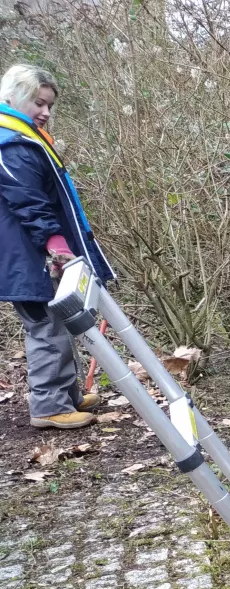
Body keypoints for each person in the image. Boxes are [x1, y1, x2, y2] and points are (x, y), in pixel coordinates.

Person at [0, 63, 115, 430]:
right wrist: (56, 244)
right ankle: (49, 406)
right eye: (38, 103)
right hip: (26, 258)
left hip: (33, 254)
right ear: (13, 98)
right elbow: (29, 202)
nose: (46, 113)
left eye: (49, 105)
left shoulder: (22, 139)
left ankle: (67, 395)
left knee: (60, 322)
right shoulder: (10, 145)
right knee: (45, 329)